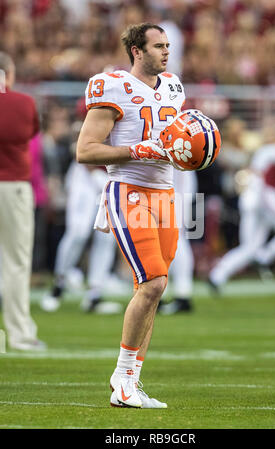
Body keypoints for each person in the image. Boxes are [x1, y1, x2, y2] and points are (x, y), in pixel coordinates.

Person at [76, 23, 185, 408]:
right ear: (137, 50)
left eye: (168, 45)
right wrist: (137, 151)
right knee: (152, 283)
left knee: (156, 289)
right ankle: (122, 377)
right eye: (158, 46)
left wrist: (191, 150)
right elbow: (86, 150)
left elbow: (171, 145)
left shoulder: (173, 87)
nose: (166, 52)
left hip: (166, 194)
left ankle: (130, 383)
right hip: (129, 191)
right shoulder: (114, 86)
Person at [208, 135, 275, 293]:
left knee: (250, 247)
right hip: (265, 198)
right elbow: (267, 152)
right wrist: (257, 172)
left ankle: (217, 275)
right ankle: (265, 255)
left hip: (259, 200)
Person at [0, 52, 46, 351]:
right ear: (9, 74)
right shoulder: (24, 103)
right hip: (13, 187)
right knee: (16, 263)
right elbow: (29, 132)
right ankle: (18, 332)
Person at [40, 160, 123, 314]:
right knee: (78, 233)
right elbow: (81, 143)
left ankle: (94, 295)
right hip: (86, 173)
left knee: (106, 238)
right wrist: (92, 167)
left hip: (114, 175)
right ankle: (59, 284)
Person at [158, 169, 197, 314]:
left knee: (175, 240)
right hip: (173, 186)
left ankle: (182, 294)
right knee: (174, 240)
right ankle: (180, 293)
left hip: (174, 188)